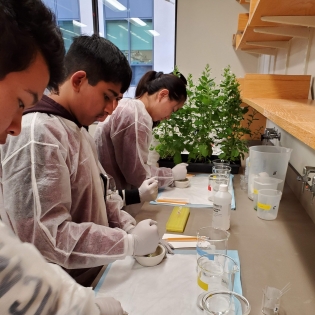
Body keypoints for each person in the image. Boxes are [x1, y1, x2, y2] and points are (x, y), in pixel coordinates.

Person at [0, 0, 126, 314]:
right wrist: (127, 244)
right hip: (61, 288)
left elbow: (99, 187)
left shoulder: (77, 127)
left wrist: (122, 224)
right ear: (79, 80)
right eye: (108, 97)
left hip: (92, 273)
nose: (111, 110)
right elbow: (47, 238)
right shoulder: (37, 133)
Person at [94, 70, 188, 193]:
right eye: (173, 109)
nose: (168, 117)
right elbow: (138, 176)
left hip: (112, 195)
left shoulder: (132, 108)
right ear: (163, 95)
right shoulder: (137, 117)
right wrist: (171, 175)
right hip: (115, 197)